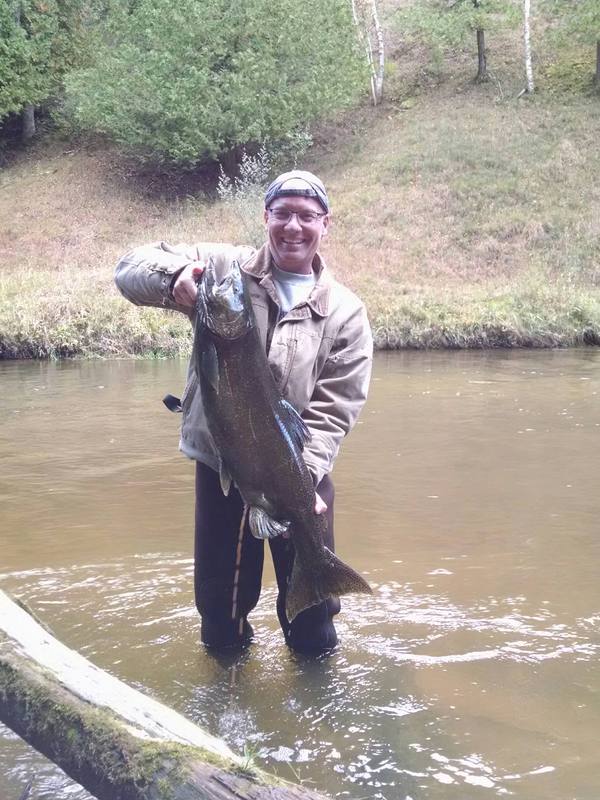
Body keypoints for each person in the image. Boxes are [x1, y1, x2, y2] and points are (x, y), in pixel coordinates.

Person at [114, 169, 373, 654]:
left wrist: (306, 475)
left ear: (325, 224)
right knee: (220, 606)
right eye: (282, 214)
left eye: (306, 216)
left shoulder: (345, 312)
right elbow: (129, 268)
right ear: (265, 217)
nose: (293, 227)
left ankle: (315, 693)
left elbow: (336, 408)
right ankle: (227, 687)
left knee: (316, 618)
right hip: (222, 464)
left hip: (300, 475)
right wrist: (174, 280)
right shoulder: (223, 270)